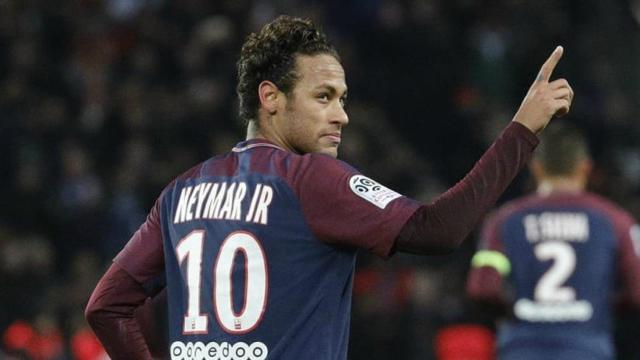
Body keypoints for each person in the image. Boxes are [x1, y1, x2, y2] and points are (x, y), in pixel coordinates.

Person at [85, 15, 574, 360]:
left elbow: (107, 306)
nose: (341, 114)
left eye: (342, 98)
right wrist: (523, 129)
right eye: (323, 97)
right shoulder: (309, 181)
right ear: (270, 98)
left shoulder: (180, 193)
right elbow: (437, 230)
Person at [466, 124, 640, 359]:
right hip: (586, 348)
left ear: (536, 168)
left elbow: (482, 289)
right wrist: (599, 305)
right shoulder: (617, 221)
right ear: (585, 167)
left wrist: (514, 313)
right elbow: (636, 292)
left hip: (522, 348)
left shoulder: (503, 220)